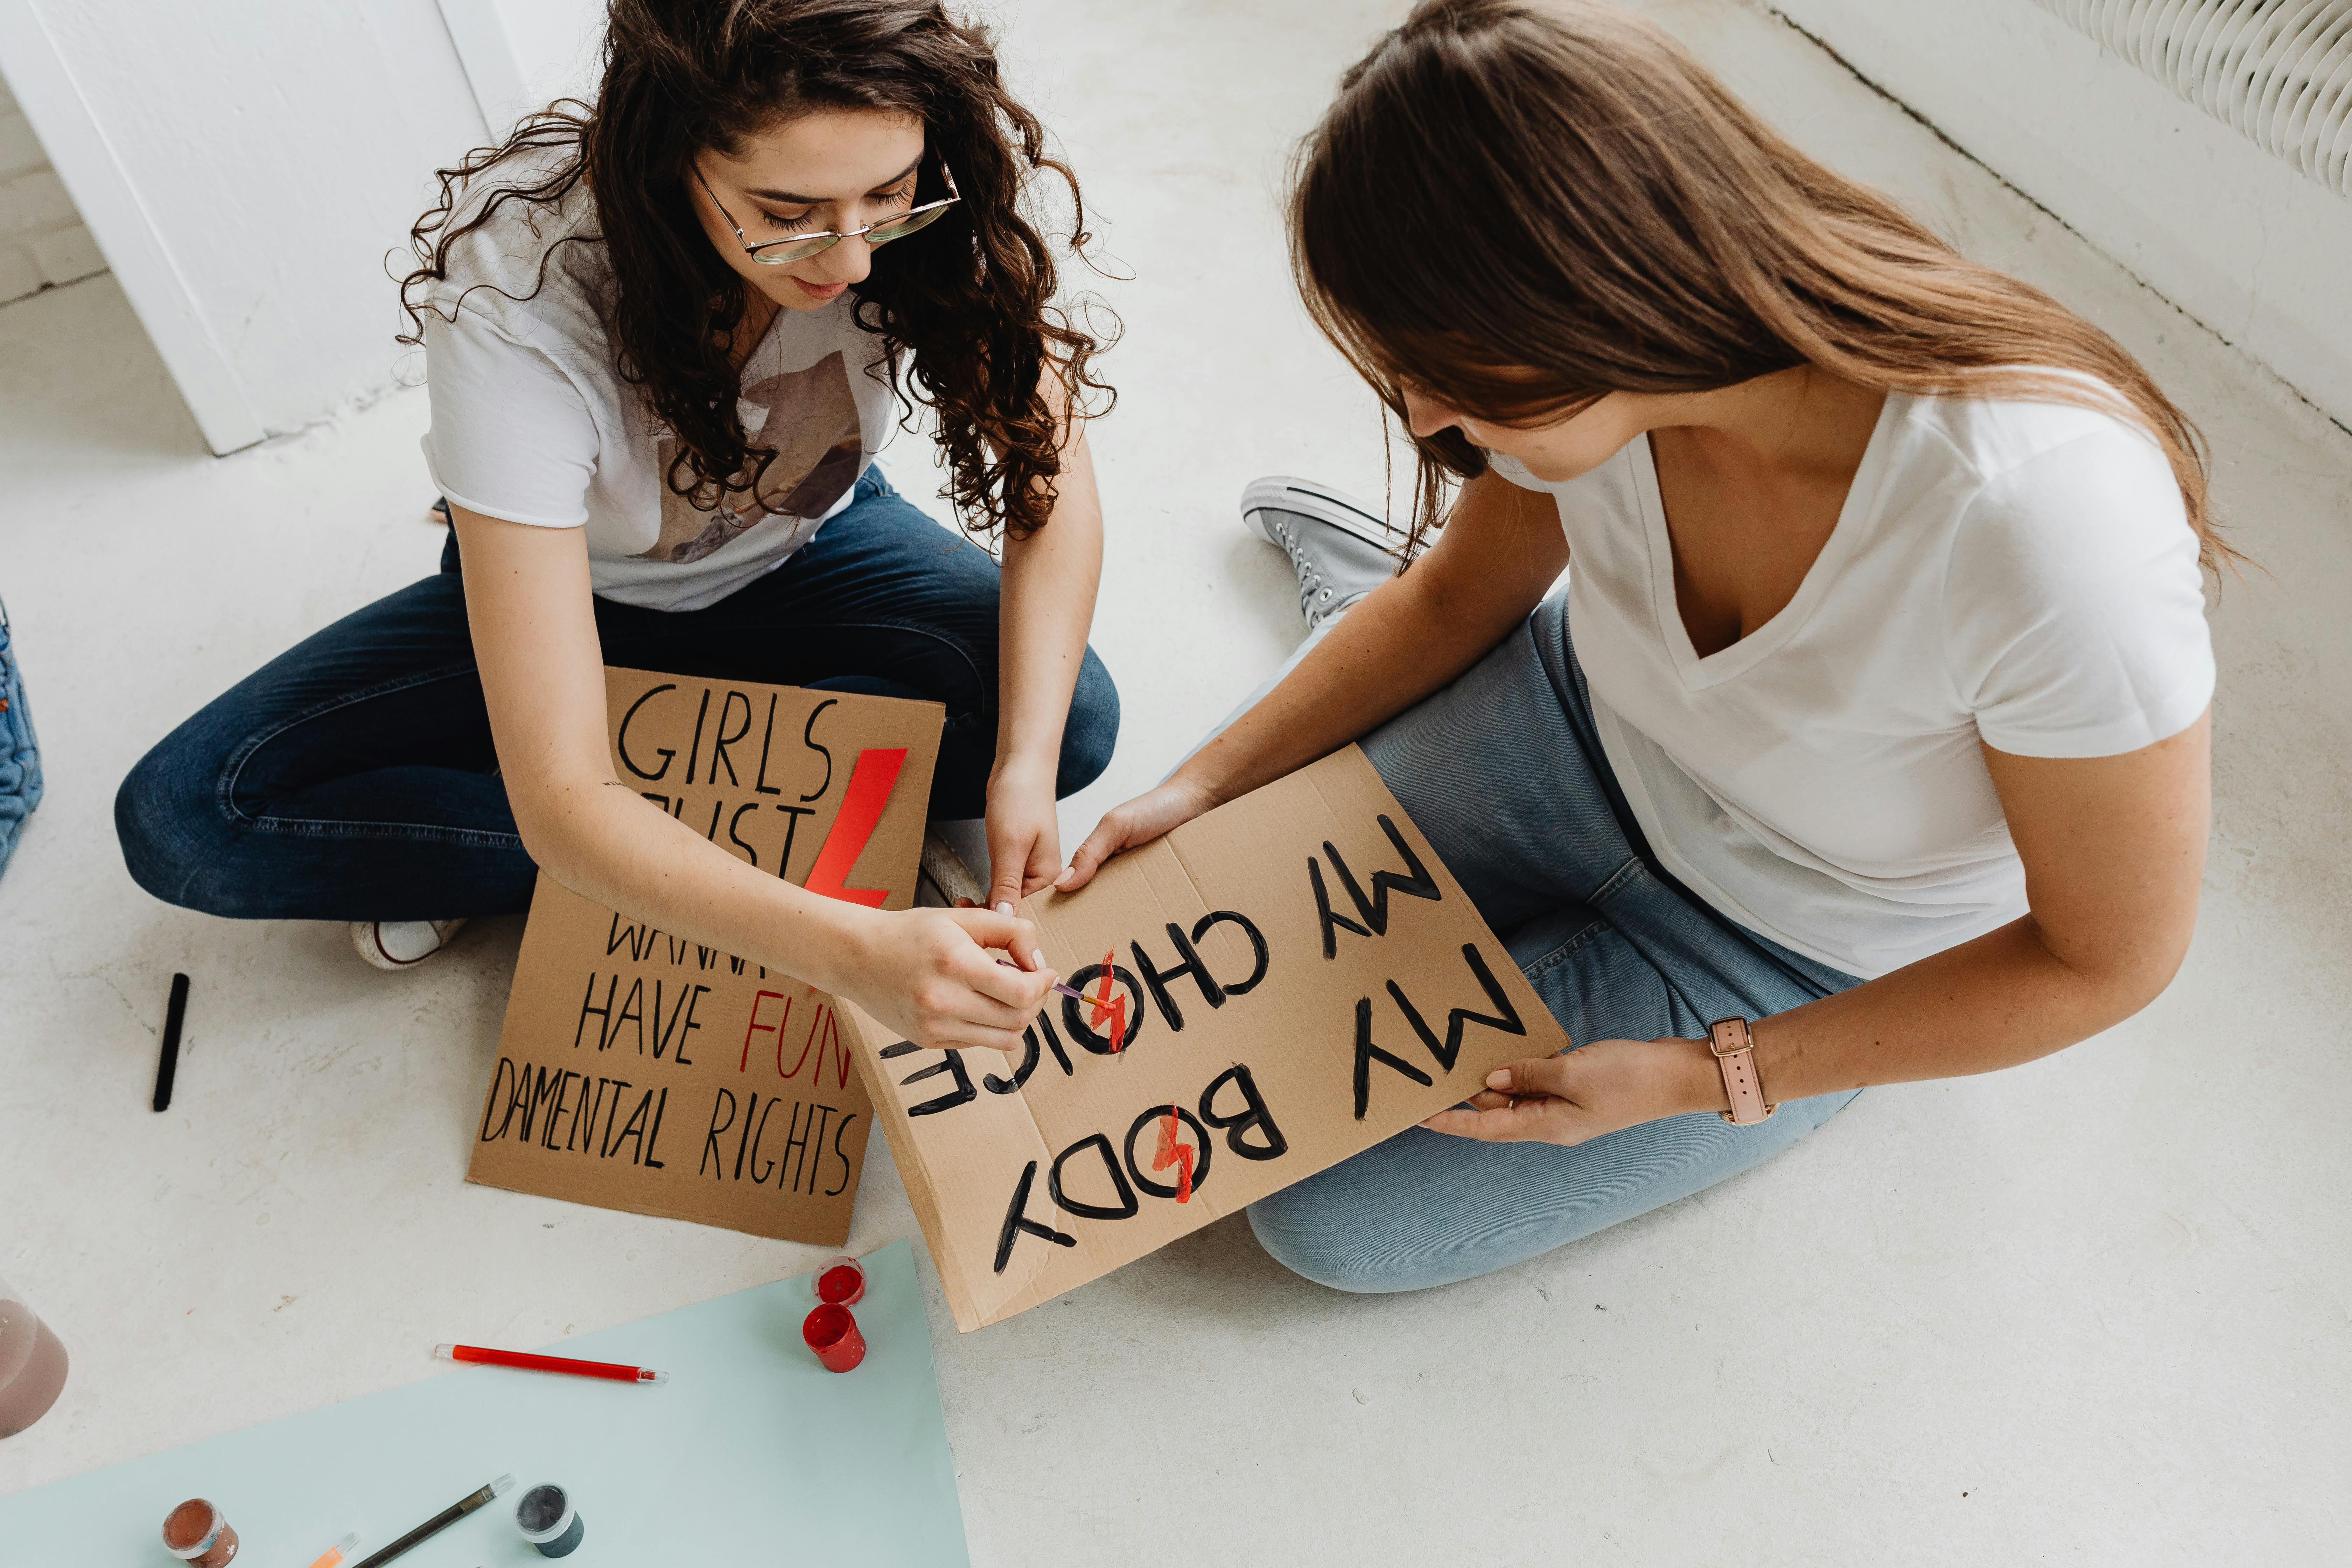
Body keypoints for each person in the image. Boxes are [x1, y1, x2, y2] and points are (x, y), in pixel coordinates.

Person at [1062, 0, 2218, 1293]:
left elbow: (2111, 958)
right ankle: (1348, 604)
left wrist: (1719, 1075)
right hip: (1565, 722)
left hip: (1797, 940)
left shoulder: (2042, 523)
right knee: (1132, 986)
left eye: (1451, 374)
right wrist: (1206, 783)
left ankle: (1822, 1065)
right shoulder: (1601, 391)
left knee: (1332, 1222)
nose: (1427, 420)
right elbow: (1458, 601)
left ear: (1605, 303)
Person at [115, 0, 1113, 1051]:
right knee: (188, 819)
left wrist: (1023, 766)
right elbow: (558, 799)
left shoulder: (921, 202)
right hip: (586, 590)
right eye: (789, 210)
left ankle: (662, 847)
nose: (854, 262)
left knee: (1071, 720)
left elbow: (1054, 482)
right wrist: (846, 946)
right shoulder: (520, 294)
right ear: (670, 165)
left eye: (888, 199)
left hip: (811, 543)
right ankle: (713, 833)